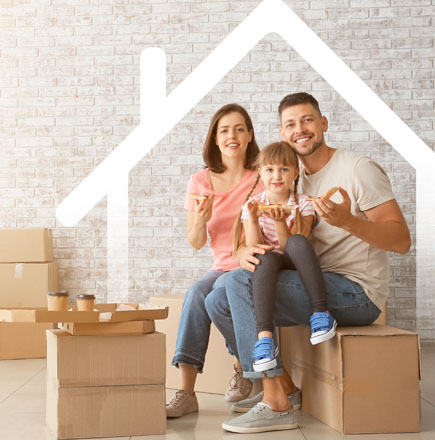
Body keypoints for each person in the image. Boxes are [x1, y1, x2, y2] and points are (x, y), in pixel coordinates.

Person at [208, 92, 411, 433]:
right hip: (313, 279)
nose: (300, 129)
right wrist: (244, 250)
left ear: (323, 124)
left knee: (236, 284)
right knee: (216, 299)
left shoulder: (357, 169)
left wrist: (349, 221)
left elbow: (401, 241)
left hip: (355, 292)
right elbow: (260, 231)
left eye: (307, 120)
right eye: (290, 124)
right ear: (282, 134)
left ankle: (275, 403)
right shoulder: (291, 176)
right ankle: (283, 385)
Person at [166, 103, 264, 418]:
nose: (231, 135)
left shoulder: (262, 177)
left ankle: (242, 366)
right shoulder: (200, 182)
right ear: (215, 139)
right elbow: (195, 242)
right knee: (197, 293)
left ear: (249, 135)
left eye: (238, 128)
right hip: (220, 267)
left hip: (251, 267)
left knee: (220, 293)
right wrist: (200, 219)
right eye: (224, 130)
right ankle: (186, 392)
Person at [233, 141, 335, 374]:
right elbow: (253, 246)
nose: (276, 176)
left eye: (284, 169)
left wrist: (280, 222)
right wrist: (253, 219)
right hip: (270, 264)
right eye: (269, 170)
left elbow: (296, 244)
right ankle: (265, 338)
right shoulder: (252, 205)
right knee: (264, 257)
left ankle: (321, 313)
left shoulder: (303, 204)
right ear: (260, 173)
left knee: (298, 241)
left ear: (295, 173)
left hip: (295, 259)